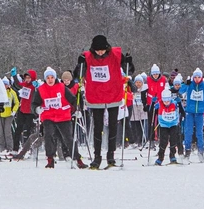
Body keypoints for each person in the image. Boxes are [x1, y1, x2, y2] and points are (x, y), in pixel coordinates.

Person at [74, 35, 134, 169]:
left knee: (113, 126)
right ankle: (97, 157)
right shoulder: (87, 56)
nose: (100, 53)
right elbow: (77, 75)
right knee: (98, 127)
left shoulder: (116, 55)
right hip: (96, 96)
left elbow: (129, 70)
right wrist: (80, 64)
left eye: (102, 50)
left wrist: (128, 62)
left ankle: (111, 155)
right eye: (97, 50)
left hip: (113, 94)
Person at [32, 67, 87, 169]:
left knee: (69, 138)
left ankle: (78, 159)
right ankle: (50, 159)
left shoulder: (62, 87)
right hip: (48, 116)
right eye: (48, 78)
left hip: (63, 116)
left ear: (55, 78)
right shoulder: (41, 89)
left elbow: (73, 100)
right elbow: (34, 104)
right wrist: (36, 109)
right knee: (49, 136)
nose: (50, 80)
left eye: (52, 77)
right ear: (45, 79)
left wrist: (75, 110)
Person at [179, 68, 204, 162]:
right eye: (195, 77)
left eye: (199, 77)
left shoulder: (203, 85)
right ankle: (187, 151)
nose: (197, 79)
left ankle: (201, 152)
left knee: (199, 133)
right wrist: (186, 83)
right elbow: (181, 91)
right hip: (190, 112)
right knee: (188, 132)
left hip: (200, 113)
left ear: (201, 77)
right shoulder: (190, 84)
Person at [12, 69, 38, 152]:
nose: (27, 80)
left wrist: (37, 86)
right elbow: (17, 84)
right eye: (26, 78)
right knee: (18, 130)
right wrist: (14, 76)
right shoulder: (24, 85)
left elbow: (40, 90)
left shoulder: (34, 86)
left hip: (30, 112)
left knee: (27, 131)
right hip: (22, 111)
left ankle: (28, 149)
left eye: (29, 78)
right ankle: (15, 149)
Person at [154, 88, 180, 165]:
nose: (166, 103)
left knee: (173, 140)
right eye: (165, 101)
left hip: (173, 124)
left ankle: (172, 156)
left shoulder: (174, 103)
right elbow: (151, 110)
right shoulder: (159, 103)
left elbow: (181, 109)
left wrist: (179, 104)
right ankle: (160, 157)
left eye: (168, 101)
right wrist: (153, 104)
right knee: (163, 141)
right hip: (163, 125)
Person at [0, 77, 19, 152]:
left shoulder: (12, 92)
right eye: (3, 84)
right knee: (0, 132)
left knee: (7, 132)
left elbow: (17, 103)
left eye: (6, 84)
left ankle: (9, 148)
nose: (5, 86)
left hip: (9, 115)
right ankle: (1, 148)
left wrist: (14, 111)